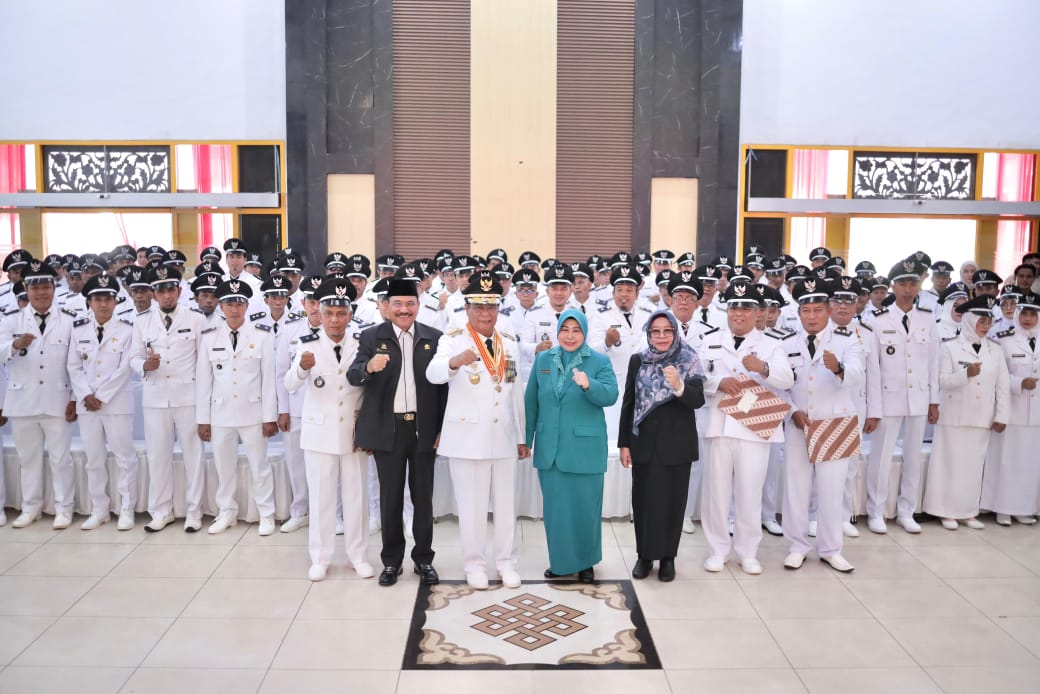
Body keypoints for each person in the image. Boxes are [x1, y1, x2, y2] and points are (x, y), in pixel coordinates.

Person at [426, 270, 528, 590]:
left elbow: (514, 390)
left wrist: (522, 436)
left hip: (504, 437)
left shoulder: (507, 342)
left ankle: (506, 562)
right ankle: (474, 565)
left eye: (491, 306)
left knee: (506, 506)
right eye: (479, 307)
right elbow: (432, 374)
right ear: (467, 307)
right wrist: (454, 362)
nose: (486, 313)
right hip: (467, 439)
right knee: (471, 508)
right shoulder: (453, 338)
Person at [348, 278, 446, 587]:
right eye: (398, 304)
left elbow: (443, 389)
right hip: (388, 429)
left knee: (423, 498)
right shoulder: (370, 337)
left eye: (410, 303)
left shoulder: (434, 337)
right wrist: (369, 367)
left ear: (418, 306)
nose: (404, 310)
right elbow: (353, 375)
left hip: (422, 429)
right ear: (386, 306)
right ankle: (391, 562)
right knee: (389, 498)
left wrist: (441, 429)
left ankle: (424, 559)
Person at [697, 282, 795, 574]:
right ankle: (718, 550)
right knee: (716, 493)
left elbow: (787, 379)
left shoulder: (771, 344)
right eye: (734, 308)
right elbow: (696, 375)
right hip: (719, 425)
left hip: (755, 428)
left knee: (750, 492)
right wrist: (718, 383)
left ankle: (747, 552)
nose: (739, 313)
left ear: (757, 312)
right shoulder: (710, 339)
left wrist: (763, 367)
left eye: (746, 308)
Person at [286, 278, 374, 580]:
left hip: (353, 431)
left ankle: (358, 555)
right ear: (319, 314)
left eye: (341, 313)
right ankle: (320, 558)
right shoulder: (306, 344)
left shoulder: (362, 342)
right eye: (329, 313)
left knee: (356, 497)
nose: (335, 320)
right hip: (319, 432)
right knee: (322, 498)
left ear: (349, 314)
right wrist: (302, 367)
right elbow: (290, 383)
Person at [525, 309, 618, 583]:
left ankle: (586, 562)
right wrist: (526, 440)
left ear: (585, 332)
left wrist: (590, 385)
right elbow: (531, 401)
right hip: (550, 449)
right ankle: (561, 563)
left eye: (576, 330)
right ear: (557, 332)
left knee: (585, 509)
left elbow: (611, 395)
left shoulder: (599, 361)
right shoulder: (544, 359)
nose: (569, 336)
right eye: (565, 330)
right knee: (556, 511)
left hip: (585, 449)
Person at [781, 280, 864, 573]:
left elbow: (857, 375)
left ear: (828, 311)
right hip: (799, 424)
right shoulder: (786, 343)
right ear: (799, 313)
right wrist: (792, 411)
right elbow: (780, 386)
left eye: (817, 310)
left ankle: (831, 549)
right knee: (796, 489)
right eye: (806, 311)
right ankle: (798, 546)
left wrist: (839, 368)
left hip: (835, 423)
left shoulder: (847, 340)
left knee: (832, 490)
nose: (812, 316)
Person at [619, 310, 704, 581]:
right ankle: (644, 556)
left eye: (667, 330)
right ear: (648, 334)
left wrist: (679, 386)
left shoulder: (689, 359)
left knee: (672, 503)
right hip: (644, 444)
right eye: (655, 331)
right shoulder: (638, 360)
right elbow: (629, 402)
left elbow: (698, 400)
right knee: (643, 502)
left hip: (677, 446)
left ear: (675, 332)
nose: (661, 336)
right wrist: (624, 444)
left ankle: (668, 558)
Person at [863, 258, 940, 534]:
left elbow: (934, 361)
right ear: (892, 287)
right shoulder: (877, 320)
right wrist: (874, 408)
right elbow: (873, 369)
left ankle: (907, 511)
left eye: (913, 284)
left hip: (918, 396)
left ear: (919, 286)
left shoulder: (927, 317)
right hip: (888, 397)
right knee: (881, 457)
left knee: (913, 456)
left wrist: (934, 400)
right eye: (903, 284)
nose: (908, 289)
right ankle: (876, 511)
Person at [195, 279, 279, 535]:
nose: (234, 309)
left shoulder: (262, 336)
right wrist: (203, 419)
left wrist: (269, 417)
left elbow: (269, 380)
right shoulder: (209, 338)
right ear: (221, 306)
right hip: (220, 413)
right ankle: (226, 512)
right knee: (224, 467)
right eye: (229, 304)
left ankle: (266, 513)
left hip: (253, 413)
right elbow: (204, 381)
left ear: (246, 306)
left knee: (259, 466)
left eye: (239, 304)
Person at [130, 266, 208, 532]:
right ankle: (161, 511)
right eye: (161, 290)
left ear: (179, 290)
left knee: (193, 456)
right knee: (158, 456)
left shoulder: (196, 319)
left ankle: (194, 512)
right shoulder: (142, 321)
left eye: (170, 289)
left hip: (188, 397)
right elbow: (133, 357)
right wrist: (144, 365)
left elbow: (203, 362)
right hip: (155, 397)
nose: (166, 295)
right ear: (153, 294)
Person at [0, 260, 78, 528]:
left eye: (46, 287)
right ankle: (30, 507)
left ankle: (64, 508)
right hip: (23, 400)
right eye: (35, 288)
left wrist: (74, 398)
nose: (41, 292)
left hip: (58, 399)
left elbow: (75, 363)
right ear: (26, 288)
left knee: (61, 459)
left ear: (54, 288)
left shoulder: (68, 320)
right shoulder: (12, 319)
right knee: (28, 459)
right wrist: (14, 344)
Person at [923, 296, 1009, 529]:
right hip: (954, 415)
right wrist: (965, 375)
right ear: (969, 320)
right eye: (981, 321)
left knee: (973, 467)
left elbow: (1002, 386)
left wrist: (1001, 416)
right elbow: (941, 381)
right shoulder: (950, 347)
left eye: (988, 321)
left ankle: (967, 511)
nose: (985, 326)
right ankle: (944, 511)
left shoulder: (995, 350)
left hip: (981, 416)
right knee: (949, 465)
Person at [67, 274, 138, 530]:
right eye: (97, 299)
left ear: (116, 301)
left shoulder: (128, 329)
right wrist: (85, 395)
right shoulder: (78, 329)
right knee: (94, 458)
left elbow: (125, 368)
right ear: (89, 301)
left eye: (108, 299)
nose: (103, 304)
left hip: (116, 403)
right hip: (88, 405)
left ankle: (127, 508)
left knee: (124, 457)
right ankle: (99, 509)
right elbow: (73, 366)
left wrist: (101, 396)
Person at [983, 291, 1040, 525]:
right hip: (1012, 409)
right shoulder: (1004, 340)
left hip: (1036, 413)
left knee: (1030, 463)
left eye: (1033, 314)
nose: (1028, 318)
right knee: (1007, 461)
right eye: (1024, 313)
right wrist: (1019, 383)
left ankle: (1023, 508)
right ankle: (1003, 508)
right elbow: (998, 376)